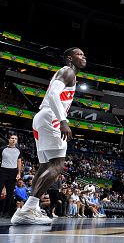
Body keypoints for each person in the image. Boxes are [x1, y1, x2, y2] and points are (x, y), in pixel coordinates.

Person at [11, 47, 86, 225]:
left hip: (42, 118)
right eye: (79, 54)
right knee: (58, 165)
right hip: (51, 118)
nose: (83, 56)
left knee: (45, 165)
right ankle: (29, 208)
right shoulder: (67, 71)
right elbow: (53, 94)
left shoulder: (68, 74)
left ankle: (30, 208)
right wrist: (63, 120)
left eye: (83, 54)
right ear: (69, 58)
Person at [0, 134, 22, 218]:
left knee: (10, 193)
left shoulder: (18, 150)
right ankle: (1, 210)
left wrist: (19, 173)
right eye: (12, 138)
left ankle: (6, 212)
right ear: (9, 140)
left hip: (13, 172)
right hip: (3, 171)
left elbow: (19, 161)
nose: (14, 140)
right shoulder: (2, 149)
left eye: (15, 139)